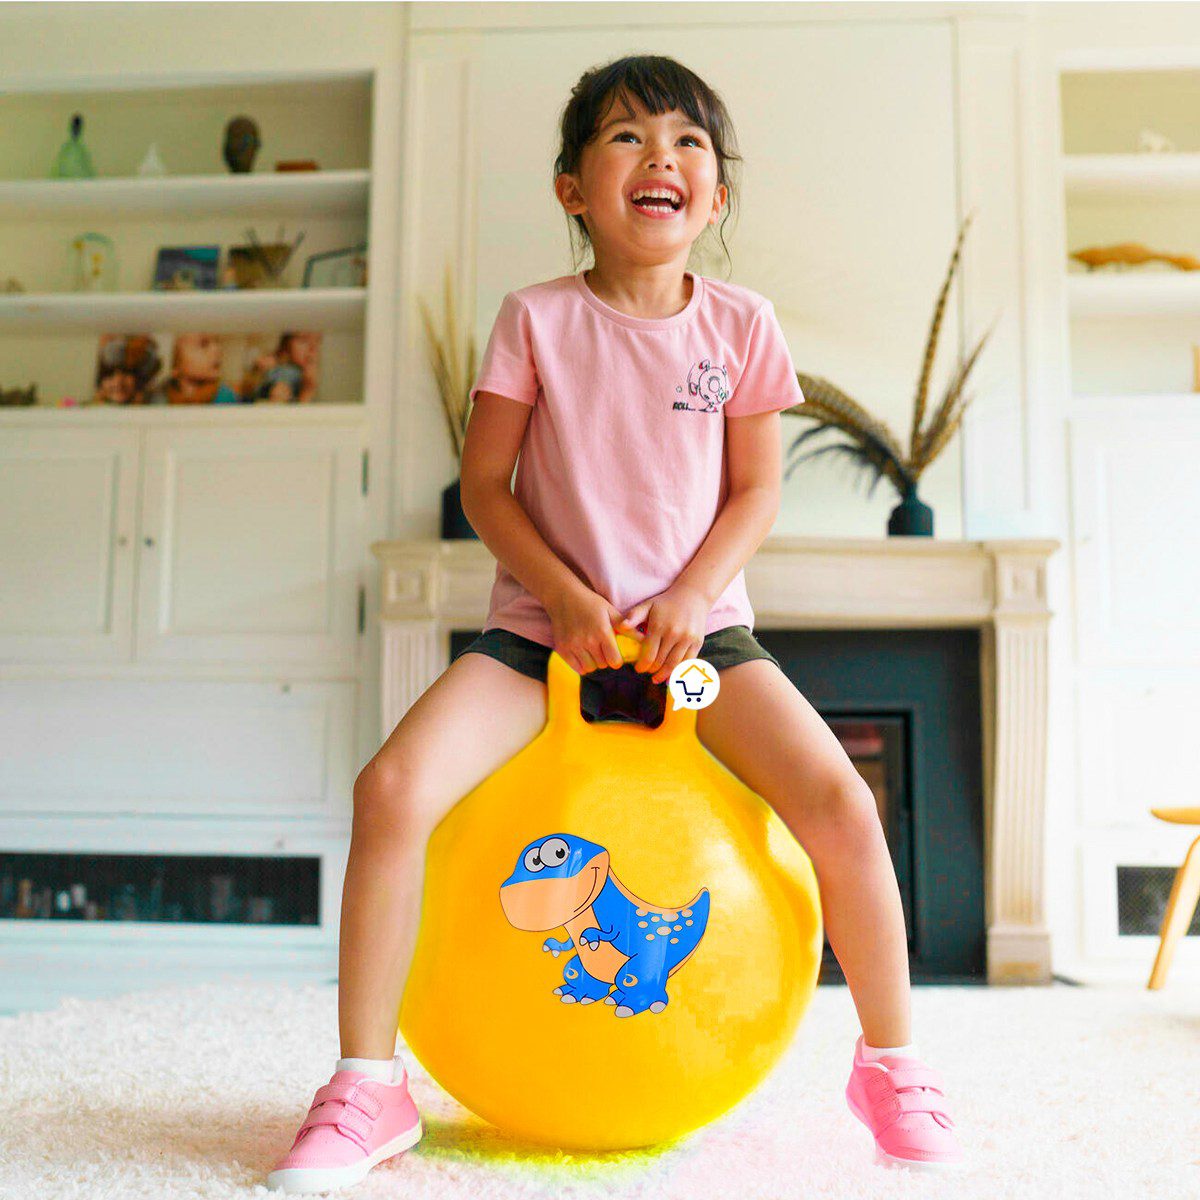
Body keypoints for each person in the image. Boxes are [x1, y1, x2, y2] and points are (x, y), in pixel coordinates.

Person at [266, 55, 963, 1194]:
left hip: (699, 654)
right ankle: (365, 1082)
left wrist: (689, 601)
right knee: (390, 790)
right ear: (572, 189)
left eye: (689, 145)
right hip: (540, 640)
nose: (662, 160)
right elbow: (487, 487)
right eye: (629, 139)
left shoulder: (743, 325)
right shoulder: (536, 319)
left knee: (840, 802)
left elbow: (755, 495)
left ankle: (893, 1065)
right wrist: (570, 598)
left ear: (716, 198)